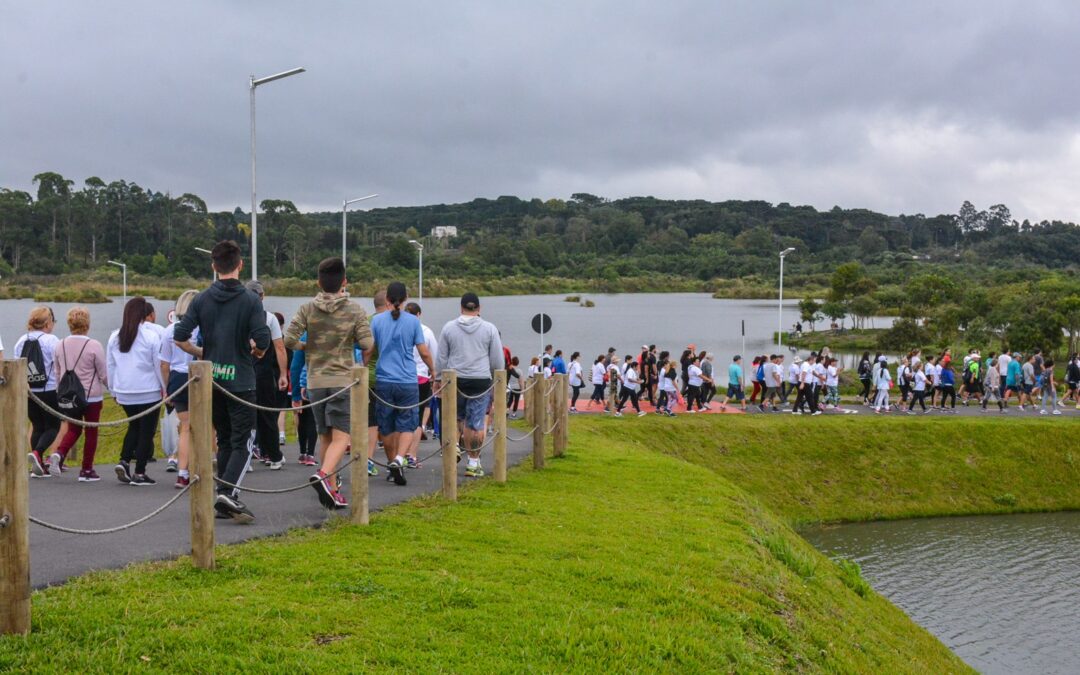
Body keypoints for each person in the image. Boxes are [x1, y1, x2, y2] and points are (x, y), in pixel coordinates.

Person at [174, 240, 270, 523]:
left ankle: (224, 496)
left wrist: (201, 352)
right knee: (245, 440)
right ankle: (227, 491)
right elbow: (262, 340)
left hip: (212, 381)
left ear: (214, 266)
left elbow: (180, 335)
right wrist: (256, 351)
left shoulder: (202, 299)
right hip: (241, 381)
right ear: (240, 265)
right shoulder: (251, 300)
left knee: (226, 439)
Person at [284, 258, 376, 506]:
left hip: (315, 381)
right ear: (344, 282)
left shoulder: (307, 308)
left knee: (325, 436)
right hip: (342, 380)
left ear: (319, 282)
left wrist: (309, 346)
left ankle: (332, 491)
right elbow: (367, 343)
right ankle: (323, 475)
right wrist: (348, 341)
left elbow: (289, 339)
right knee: (342, 437)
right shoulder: (355, 310)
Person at [435, 292, 503, 477]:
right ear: (479, 309)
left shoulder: (449, 328)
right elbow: (497, 359)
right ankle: (473, 462)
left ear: (461, 308)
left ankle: (456, 445)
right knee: (476, 423)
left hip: (455, 378)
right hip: (480, 380)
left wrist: (438, 379)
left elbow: (441, 357)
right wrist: (496, 378)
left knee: (457, 417)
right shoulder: (489, 329)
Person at [108, 297, 165, 486]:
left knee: (134, 426)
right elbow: (158, 366)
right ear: (144, 314)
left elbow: (111, 366)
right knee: (146, 432)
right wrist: (165, 388)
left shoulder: (115, 336)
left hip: (124, 390)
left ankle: (124, 461)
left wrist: (113, 390)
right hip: (148, 390)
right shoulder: (151, 337)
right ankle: (140, 472)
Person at [48, 307, 108, 481]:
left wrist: (60, 392)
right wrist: (113, 389)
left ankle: (59, 453)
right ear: (87, 324)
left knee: (74, 429)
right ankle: (87, 470)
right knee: (91, 432)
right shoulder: (94, 345)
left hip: (69, 396)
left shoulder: (60, 344)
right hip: (92, 396)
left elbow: (58, 372)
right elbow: (103, 373)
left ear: (69, 323)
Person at [242, 280, 289, 469]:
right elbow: (280, 347)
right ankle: (274, 455)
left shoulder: (238, 316)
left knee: (243, 416)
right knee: (267, 416)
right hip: (263, 372)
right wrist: (283, 374)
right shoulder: (269, 318)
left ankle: (245, 457)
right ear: (262, 296)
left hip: (242, 371)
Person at [159, 290, 199, 488]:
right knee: (205, 425)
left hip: (176, 378)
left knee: (185, 427)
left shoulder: (169, 330)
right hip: (198, 375)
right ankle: (205, 467)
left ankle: (182, 472)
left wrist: (167, 389)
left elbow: (164, 365)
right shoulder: (201, 328)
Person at [18, 307, 63, 477]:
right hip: (49, 389)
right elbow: (58, 364)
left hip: (29, 390)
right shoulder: (52, 340)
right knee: (53, 426)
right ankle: (37, 453)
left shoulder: (21, 340)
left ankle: (37, 466)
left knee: (37, 426)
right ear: (46, 323)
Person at [405, 302, 438, 468]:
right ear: (419, 314)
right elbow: (433, 353)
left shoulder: (400, 328)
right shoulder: (426, 331)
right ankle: (412, 455)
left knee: (402, 417)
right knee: (417, 419)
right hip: (421, 378)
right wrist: (434, 372)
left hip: (402, 376)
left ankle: (400, 455)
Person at [289, 334, 318, 466]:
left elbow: (295, 366)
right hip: (318, 382)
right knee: (312, 419)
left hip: (303, 383)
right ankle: (310, 454)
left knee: (303, 418)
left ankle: (302, 452)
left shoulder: (304, 336)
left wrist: (295, 394)